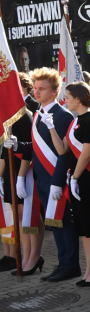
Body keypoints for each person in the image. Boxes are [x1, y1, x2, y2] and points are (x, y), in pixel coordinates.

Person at [12, 68, 79, 281]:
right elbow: (37, 147)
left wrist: (58, 182)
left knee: (65, 222)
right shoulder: (40, 114)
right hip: (41, 178)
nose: (37, 92)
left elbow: (64, 153)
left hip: (56, 178)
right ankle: (62, 263)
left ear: (54, 91)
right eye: (36, 88)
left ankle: (71, 265)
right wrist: (17, 146)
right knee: (53, 222)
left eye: (42, 89)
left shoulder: (62, 115)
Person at [47, 81, 90, 286]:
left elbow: (86, 153)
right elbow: (63, 149)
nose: (65, 100)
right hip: (76, 179)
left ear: (79, 99)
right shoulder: (75, 122)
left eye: (68, 97)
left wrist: (74, 178)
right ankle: (89, 267)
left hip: (88, 179)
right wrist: (51, 128)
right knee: (82, 226)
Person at [0, 73, 38, 272]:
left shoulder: (23, 115)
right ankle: (24, 258)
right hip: (9, 171)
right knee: (18, 216)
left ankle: (32, 257)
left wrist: (21, 177)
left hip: (22, 171)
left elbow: (27, 151)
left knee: (27, 215)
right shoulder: (8, 114)